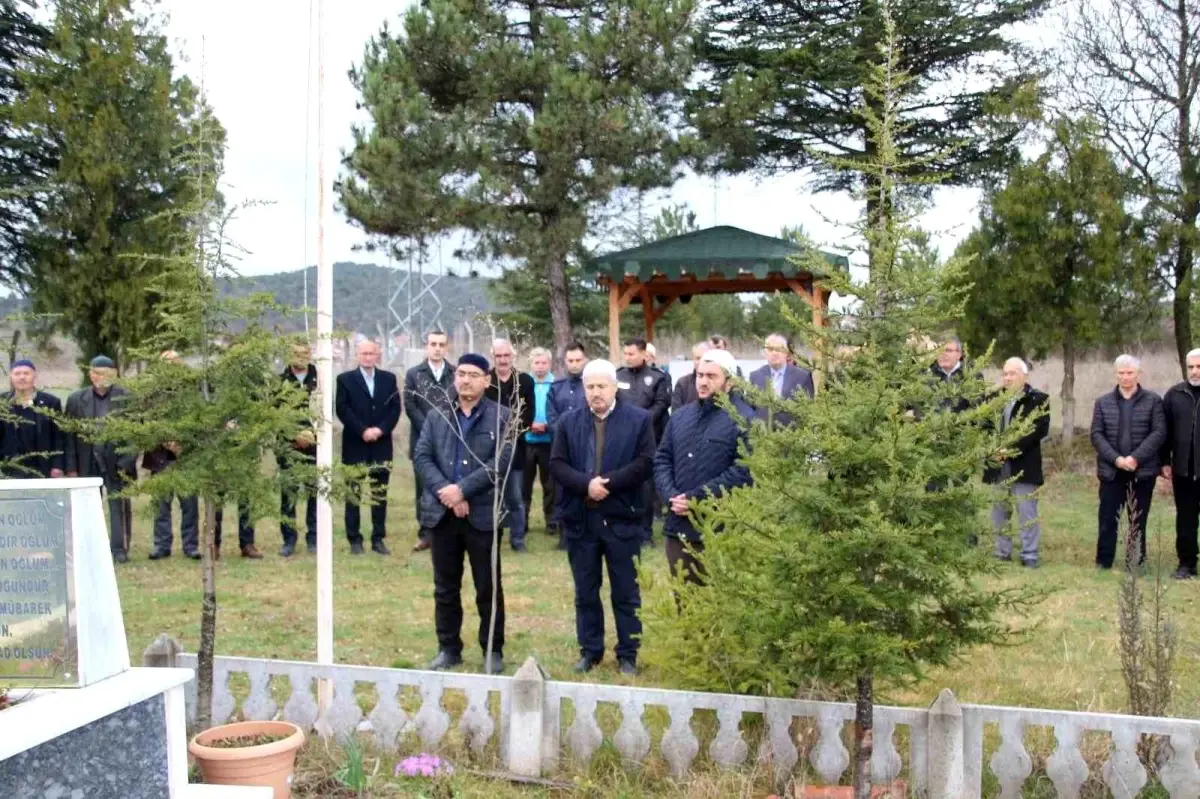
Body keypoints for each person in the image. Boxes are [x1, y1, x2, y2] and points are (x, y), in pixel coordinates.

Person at [550, 359, 654, 675]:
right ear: (584, 389)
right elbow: (557, 464)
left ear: (614, 387)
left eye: (601, 386)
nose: (596, 393)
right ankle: (590, 651)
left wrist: (606, 485)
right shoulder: (569, 423)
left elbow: (645, 462)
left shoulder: (639, 420)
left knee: (625, 592)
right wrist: (586, 485)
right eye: (590, 387)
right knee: (585, 591)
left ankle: (627, 655)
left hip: (622, 519)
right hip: (581, 520)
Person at [413, 353, 513, 675]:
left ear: (487, 380)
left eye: (473, 374)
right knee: (445, 587)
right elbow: (422, 457)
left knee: (488, 586)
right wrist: (447, 491)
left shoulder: (504, 417)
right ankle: (448, 648)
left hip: (481, 516)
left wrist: (464, 490)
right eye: (461, 374)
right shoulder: (437, 416)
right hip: (443, 516)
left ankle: (492, 649)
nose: (465, 380)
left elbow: (501, 465)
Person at [654, 348, 753, 584]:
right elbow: (662, 459)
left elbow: (743, 471)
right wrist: (672, 496)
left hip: (722, 528)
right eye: (700, 375)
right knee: (684, 604)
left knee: (721, 604)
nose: (703, 382)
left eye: (712, 376)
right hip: (680, 528)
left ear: (729, 382)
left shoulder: (744, 418)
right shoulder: (681, 416)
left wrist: (697, 498)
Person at [1090, 354, 1166, 570]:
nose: (1125, 377)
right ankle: (1103, 561)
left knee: (1138, 519)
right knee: (1107, 519)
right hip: (1111, 472)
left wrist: (1135, 458)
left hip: (1142, 471)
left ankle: (1135, 561)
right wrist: (1117, 459)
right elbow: (1096, 434)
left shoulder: (1153, 401)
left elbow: (1159, 433)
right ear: (1116, 374)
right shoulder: (1103, 402)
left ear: (1138, 374)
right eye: (1121, 373)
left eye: (1130, 372)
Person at [65, 355, 136, 563]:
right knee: (87, 508)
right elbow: (69, 436)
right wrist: (71, 468)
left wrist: (127, 462)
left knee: (118, 507)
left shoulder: (126, 397)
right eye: (97, 373)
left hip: (117, 462)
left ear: (114, 374)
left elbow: (135, 434)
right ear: (90, 375)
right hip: (87, 461)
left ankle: (119, 549)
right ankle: (88, 548)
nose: (101, 377)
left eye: (106, 373)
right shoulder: (76, 400)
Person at [335, 339, 401, 555]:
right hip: (355, 444)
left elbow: (395, 409)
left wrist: (380, 430)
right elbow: (343, 409)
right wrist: (363, 430)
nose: (367, 357)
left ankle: (378, 538)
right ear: (357, 355)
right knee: (353, 494)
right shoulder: (345, 380)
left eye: (371, 353)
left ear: (377, 355)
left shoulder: (388, 379)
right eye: (363, 353)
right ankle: (355, 539)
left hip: (381, 444)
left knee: (379, 494)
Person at [984, 357, 1049, 568]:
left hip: (1024, 465)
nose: (1008, 378)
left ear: (1024, 375)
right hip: (997, 465)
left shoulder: (1038, 400)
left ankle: (1029, 554)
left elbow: (1037, 430)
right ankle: (1002, 551)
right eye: (1005, 374)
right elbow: (984, 427)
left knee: (1026, 511)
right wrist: (993, 449)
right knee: (999, 510)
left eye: (1012, 373)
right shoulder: (994, 399)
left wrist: (1009, 450)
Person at [142, 351, 199, 561]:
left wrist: (182, 442)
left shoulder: (191, 389)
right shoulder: (151, 392)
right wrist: (166, 441)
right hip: (159, 456)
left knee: (190, 504)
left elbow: (198, 417)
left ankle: (191, 545)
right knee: (161, 504)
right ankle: (161, 545)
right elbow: (147, 420)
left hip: (186, 456)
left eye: (174, 362)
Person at [404, 329, 455, 553]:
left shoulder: (455, 374)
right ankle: (425, 534)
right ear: (426, 346)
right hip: (422, 440)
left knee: (448, 486)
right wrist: (430, 430)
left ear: (446, 347)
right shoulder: (414, 374)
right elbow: (410, 405)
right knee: (423, 489)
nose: (437, 348)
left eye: (441, 344)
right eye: (433, 344)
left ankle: (447, 533)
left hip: (451, 440)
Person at [616, 337, 670, 545]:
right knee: (624, 481)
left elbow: (662, 403)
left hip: (649, 438)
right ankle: (625, 526)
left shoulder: (658, 378)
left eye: (631, 354)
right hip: (623, 437)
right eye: (626, 354)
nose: (627, 358)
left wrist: (642, 422)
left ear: (643, 354)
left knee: (647, 486)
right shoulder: (618, 374)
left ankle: (645, 532)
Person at [485, 338, 535, 552]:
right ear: (493, 357)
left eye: (506, 355)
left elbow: (528, 413)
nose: (503, 360)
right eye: (498, 356)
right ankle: (492, 540)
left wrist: (510, 433)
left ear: (512, 356)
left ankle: (518, 540)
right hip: (487, 448)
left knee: (515, 497)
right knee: (490, 497)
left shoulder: (524, 381)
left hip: (515, 447)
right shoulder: (485, 379)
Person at [1160, 348, 1200, 579]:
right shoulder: (1175, 395)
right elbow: (1165, 432)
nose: (1195, 371)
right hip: (1183, 470)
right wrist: (1164, 461)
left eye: (1199, 367)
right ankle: (1187, 563)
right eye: (1191, 367)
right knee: (1185, 519)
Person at [278, 341, 318, 557]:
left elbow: (328, 411)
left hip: (315, 446)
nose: (300, 357)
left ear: (310, 355)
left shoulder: (319, 380)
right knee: (289, 494)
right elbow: (274, 413)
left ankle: (314, 538)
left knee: (314, 492)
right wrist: (294, 435)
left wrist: (313, 435)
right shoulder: (280, 381)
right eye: (296, 353)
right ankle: (289, 539)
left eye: (304, 353)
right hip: (288, 445)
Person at [0, 359, 64, 479]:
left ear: (34, 376)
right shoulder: (2, 402)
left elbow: (58, 437)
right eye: (17, 374)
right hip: (9, 467)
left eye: (26, 373)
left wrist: (57, 465)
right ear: (11, 377)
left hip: (42, 466)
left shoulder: (50, 402)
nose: (22, 377)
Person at [523, 347, 556, 536]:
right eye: (537, 363)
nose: (540, 366)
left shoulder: (556, 384)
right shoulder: (525, 384)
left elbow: (559, 410)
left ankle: (552, 522)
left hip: (549, 441)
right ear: (531, 364)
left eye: (544, 363)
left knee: (550, 484)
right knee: (524, 484)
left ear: (549, 364)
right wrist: (529, 424)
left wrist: (548, 425)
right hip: (527, 440)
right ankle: (522, 521)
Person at [748, 333, 814, 425]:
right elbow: (751, 408)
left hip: (792, 433)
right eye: (770, 349)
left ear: (786, 352)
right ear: (765, 353)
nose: (774, 353)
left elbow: (808, 408)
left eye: (778, 349)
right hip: (764, 434)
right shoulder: (755, 376)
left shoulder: (802, 377)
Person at [547, 342, 588, 430]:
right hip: (561, 439)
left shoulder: (591, 386)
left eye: (578, 360)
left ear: (584, 360)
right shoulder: (556, 387)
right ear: (565, 361)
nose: (574, 365)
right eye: (571, 361)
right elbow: (551, 418)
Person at [670, 341, 710, 412]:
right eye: (697, 358)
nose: (701, 361)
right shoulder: (683, 384)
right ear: (693, 360)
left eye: (704, 358)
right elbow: (676, 415)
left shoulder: (717, 382)